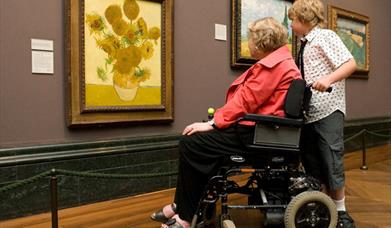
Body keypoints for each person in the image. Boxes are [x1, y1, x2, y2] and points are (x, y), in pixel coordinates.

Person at [150, 17, 301, 228]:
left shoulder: (275, 66)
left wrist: (212, 123)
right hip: (257, 130)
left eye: (250, 39)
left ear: (261, 43)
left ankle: (185, 216)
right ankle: (183, 205)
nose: (248, 43)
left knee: (192, 143)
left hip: (256, 135)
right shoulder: (280, 62)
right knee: (197, 140)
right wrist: (214, 122)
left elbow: (246, 102)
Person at [288, 1, 357, 228]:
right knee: (313, 163)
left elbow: (350, 64)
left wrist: (327, 79)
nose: (291, 24)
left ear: (305, 19)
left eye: (293, 20)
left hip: (328, 109)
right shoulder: (304, 44)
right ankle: (322, 206)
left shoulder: (325, 37)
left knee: (331, 160)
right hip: (310, 113)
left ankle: (341, 213)